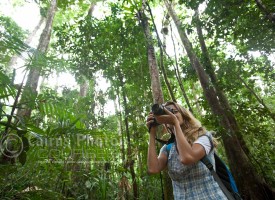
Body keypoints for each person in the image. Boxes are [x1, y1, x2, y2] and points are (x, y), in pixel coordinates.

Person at [146, 101, 228, 199]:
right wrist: (152, 132)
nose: (171, 115)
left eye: (174, 111)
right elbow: (153, 169)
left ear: (184, 115)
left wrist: (175, 123)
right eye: (166, 113)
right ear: (165, 123)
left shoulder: (203, 137)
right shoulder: (168, 148)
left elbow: (187, 158)